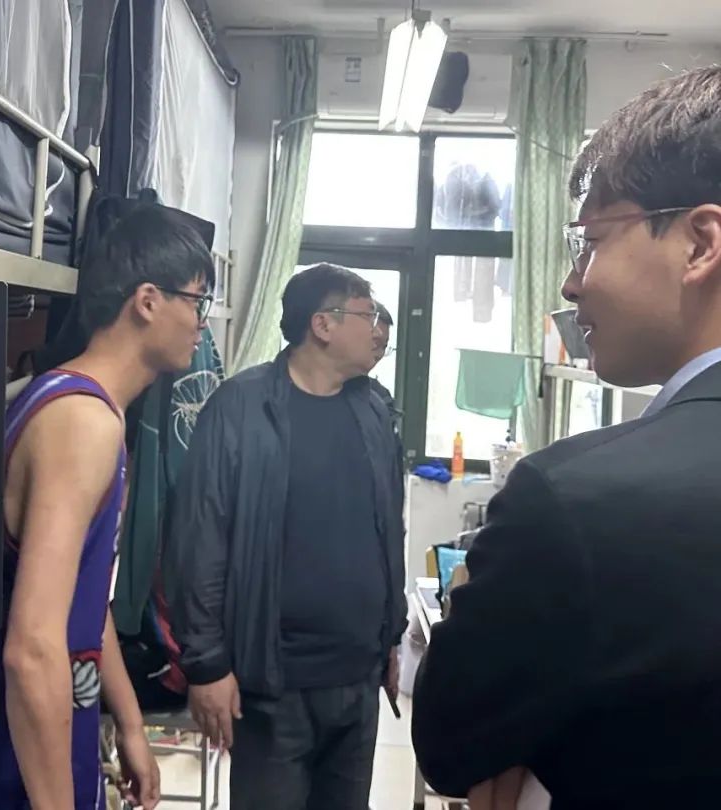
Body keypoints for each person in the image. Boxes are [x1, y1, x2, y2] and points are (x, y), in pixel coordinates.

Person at [411, 66, 721, 809]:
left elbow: (451, 744)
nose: (571, 284)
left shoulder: (578, 501)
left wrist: (471, 592)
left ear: (700, 244)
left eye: (591, 243)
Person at [0, 204, 216, 810]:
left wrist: (129, 723)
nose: (202, 323)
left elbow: (82, 598)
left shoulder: (75, 403)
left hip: (33, 721)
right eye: (197, 301)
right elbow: (31, 649)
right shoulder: (81, 422)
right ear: (148, 302)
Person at [165, 264, 406, 810]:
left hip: (357, 680)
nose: (378, 331)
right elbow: (199, 541)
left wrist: (391, 637)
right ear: (323, 324)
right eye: (368, 315)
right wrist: (206, 665)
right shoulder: (240, 407)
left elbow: (389, 529)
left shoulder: (373, 409)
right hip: (273, 686)